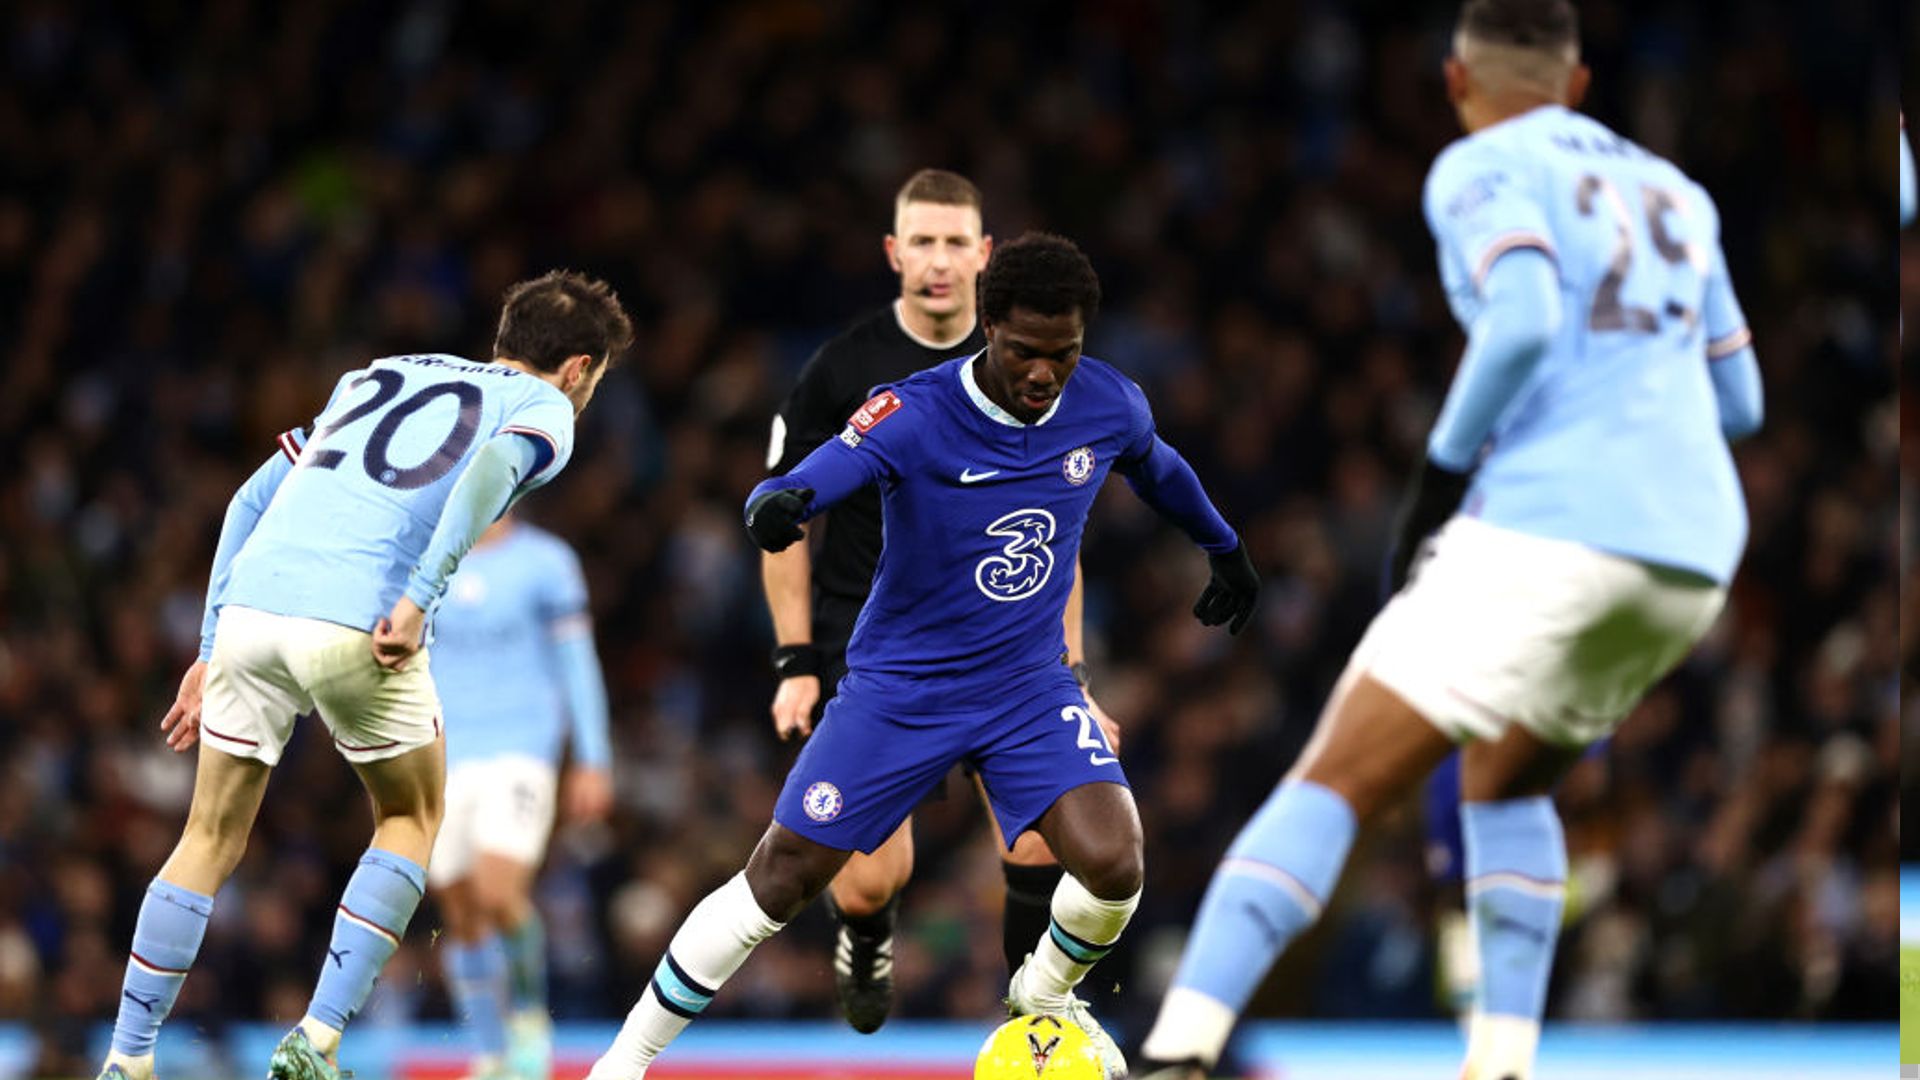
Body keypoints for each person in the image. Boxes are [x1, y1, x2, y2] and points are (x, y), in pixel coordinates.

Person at [1133, 2, 1763, 1078]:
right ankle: (1503, 1060)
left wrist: (1441, 471)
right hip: (1697, 550)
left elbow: (1518, 319)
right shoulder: (1678, 193)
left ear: (1457, 83)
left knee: (1332, 778)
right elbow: (1740, 402)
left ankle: (1177, 1052)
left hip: (1554, 525)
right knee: (1510, 781)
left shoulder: (1480, 167)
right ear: (1576, 85)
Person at [588, 233, 1259, 1080]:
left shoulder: (1108, 404)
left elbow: (1158, 468)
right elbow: (831, 466)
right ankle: (625, 1060)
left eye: (1064, 352)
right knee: (784, 876)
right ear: (987, 326)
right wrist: (780, 501)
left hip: (1028, 686)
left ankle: (1045, 995)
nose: (1044, 373)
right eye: (1025, 351)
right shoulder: (914, 411)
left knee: (1116, 861)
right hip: (902, 690)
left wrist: (1224, 547)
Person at [97, 271, 632, 1080]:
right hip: (361, 616)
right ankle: (315, 1041)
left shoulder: (381, 374)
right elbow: (490, 474)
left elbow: (249, 497)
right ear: (578, 368)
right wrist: (421, 597)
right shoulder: (544, 408)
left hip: (252, 609)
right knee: (411, 818)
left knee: (205, 838)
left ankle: (126, 1060)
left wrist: (209, 644)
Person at [760, 167, 1120, 1033]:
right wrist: (796, 662)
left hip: (1007, 642)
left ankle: (1034, 1024)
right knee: (874, 873)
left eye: (956, 242)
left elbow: (1053, 538)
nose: (939, 260)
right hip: (875, 644)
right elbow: (786, 521)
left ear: (986, 257)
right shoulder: (840, 369)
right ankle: (867, 931)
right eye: (921, 241)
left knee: (1038, 837)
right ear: (893, 253)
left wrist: (1074, 674)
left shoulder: (1037, 366)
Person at [428, 515, 613, 1080]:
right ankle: (490, 1052)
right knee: (459, 910)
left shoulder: (547, 561)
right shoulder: (428, 558)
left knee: (497, 889)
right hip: (442, 755)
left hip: (521, 748)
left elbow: (577, 663)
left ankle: (530, 1018)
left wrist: (593, 757)